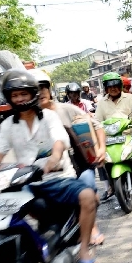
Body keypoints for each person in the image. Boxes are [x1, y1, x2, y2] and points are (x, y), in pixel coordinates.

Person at [0, 69, 100, 263]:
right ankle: (16, 258)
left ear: (32, 94)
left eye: (23, 94)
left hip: (58, 179)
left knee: (88, 196)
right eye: (15, 95)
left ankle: (84, 250)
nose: (20, 99)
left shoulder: (48, 117)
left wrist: (54, 159)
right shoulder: (7, 125)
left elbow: (59, 141)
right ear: (10, 98)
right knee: (7, 214)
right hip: (28, 184)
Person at [34, 70, 107, 245]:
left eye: (43, 88)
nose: (40, 93)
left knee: (87, 187)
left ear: (49, 89)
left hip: (78, 167)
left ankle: (92, 227)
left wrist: (101, 149)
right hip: (48, 174)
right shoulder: (27, 119)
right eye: (34, 89)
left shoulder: (66, 109)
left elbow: (96, 126)